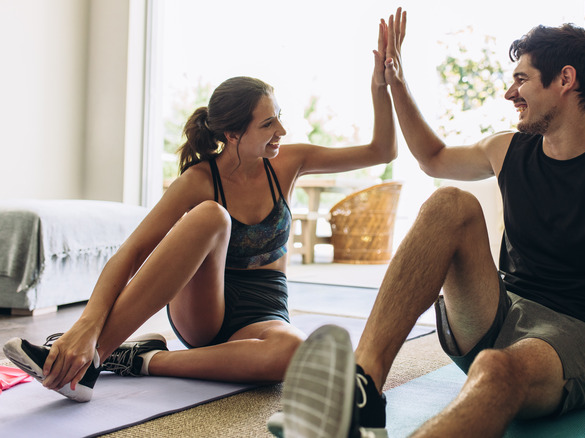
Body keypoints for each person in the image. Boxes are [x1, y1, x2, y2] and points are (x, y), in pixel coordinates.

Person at [278, 8, 585, 438]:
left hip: (577, 335)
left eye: (521, 80)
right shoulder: (507, 150)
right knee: (449, 202)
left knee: (496, 369)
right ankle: (361, 391)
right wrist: (397, 85)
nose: (508, 93)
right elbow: (433, 158)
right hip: (496, 310)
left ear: (565, 80)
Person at [2, 21, 396, 403]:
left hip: (264, 310)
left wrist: (381, 85)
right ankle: (91, 358)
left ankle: (139, 360)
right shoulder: (199, 180)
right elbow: (133, 252)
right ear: (233, 134)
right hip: (205, 309)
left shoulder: (289, 162)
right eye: (268, 123)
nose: (282, 130)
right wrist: (87, 324)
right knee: (212, 216)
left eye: (279, 116)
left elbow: (382, 151)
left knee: (295, 351)